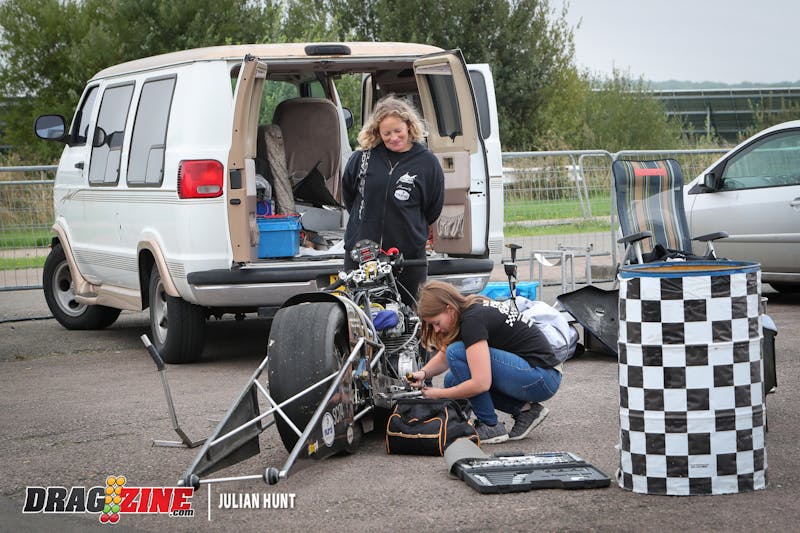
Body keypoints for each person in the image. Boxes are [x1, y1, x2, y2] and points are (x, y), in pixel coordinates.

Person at [408, 280, 563, 443]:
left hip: (542, 376)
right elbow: (444, 356)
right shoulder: (468, 308)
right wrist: (423, 373)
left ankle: (490, 426)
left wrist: (439, 394)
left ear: (449, 309)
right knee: (452, 380)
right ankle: (526, 411)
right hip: (541, 374)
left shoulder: (472, 320)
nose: (436, 329)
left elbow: (480, 383)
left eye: (436, 323)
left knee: (457, 353)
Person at [341, 95, 444, 306]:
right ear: (377, 132)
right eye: (386, 133)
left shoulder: (427, 163)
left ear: (409, 126)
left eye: (398, 131)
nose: (394, 138)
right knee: (363, 314)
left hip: (408, 257)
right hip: (362, 253)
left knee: (409, 314)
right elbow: (349, 196)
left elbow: (433, 208)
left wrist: (410, 228)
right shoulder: (362, 158)